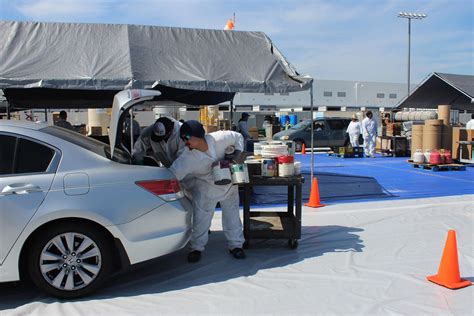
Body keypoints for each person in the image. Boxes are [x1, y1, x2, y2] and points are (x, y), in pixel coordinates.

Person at [169, 120, 245, 263]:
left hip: (229, 184)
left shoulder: (220, 139)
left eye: (186, 138)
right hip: (206, 188)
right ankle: (196, 248)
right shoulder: (187, 158)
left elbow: (238, 136)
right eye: (183, 139)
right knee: (201, 220)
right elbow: (172, 174)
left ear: (198, 136)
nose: (185, 142)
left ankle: (236, 245)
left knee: (232, 215)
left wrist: (236, 156)